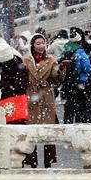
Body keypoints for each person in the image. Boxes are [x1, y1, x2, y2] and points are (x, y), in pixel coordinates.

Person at [24, 33, 64, 168]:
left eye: (43, 43)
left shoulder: (51, 60)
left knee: (48, 131)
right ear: (32, 45)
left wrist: (61, 70)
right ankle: (32, 161)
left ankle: (49, 163)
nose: (41, 46)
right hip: (31, 96)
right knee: (31, 131)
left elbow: (56, 76)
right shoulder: (26, 61)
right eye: (38, 43)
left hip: (46, 96)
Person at [61, 28, 91, 124]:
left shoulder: (65, 51)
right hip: (79, 83)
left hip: (68, 84)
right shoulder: (80, 52)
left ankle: (67, 125)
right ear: (79, 41)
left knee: (69, 107)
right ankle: (79, 126)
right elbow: (88, 68)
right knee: (80, 107)